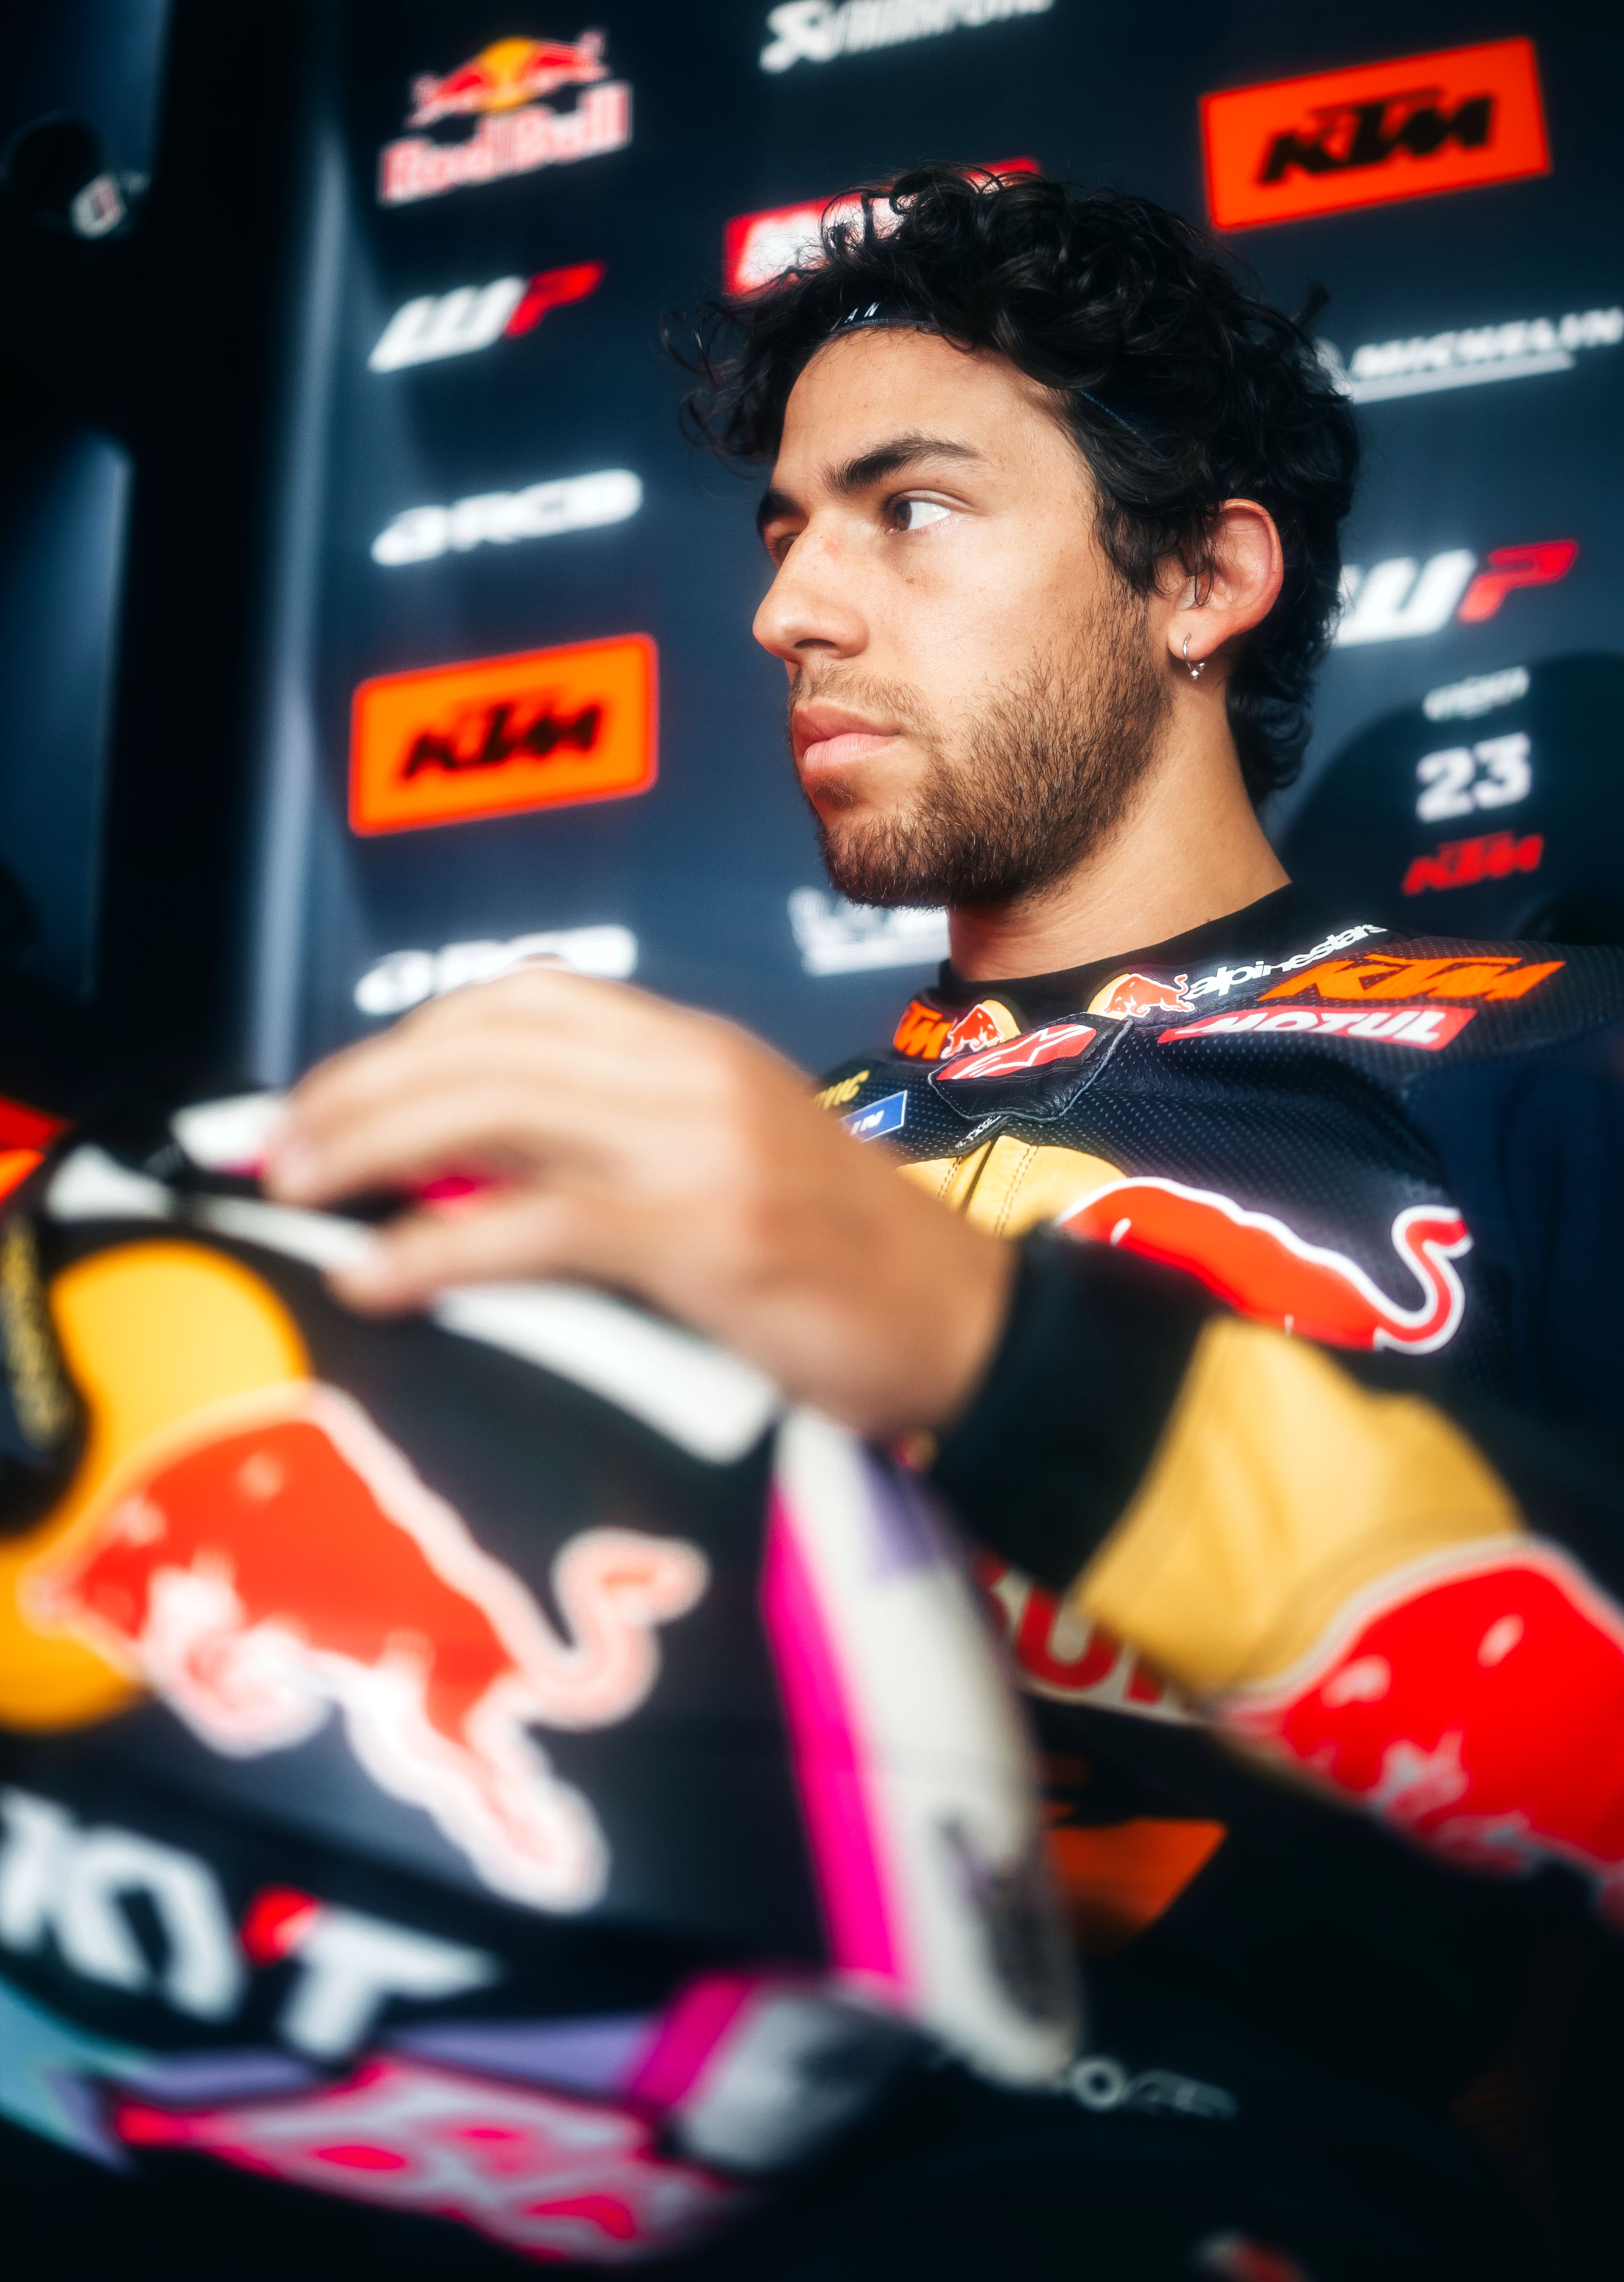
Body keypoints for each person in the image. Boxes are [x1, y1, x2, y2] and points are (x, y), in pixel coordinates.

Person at [265, 170, 1624, 2274]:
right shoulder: (744, 1174)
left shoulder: (1541, 1063)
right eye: (786, 532)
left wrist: (985, 1349)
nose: (789, 612)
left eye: (906, 509)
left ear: (1199, 578)